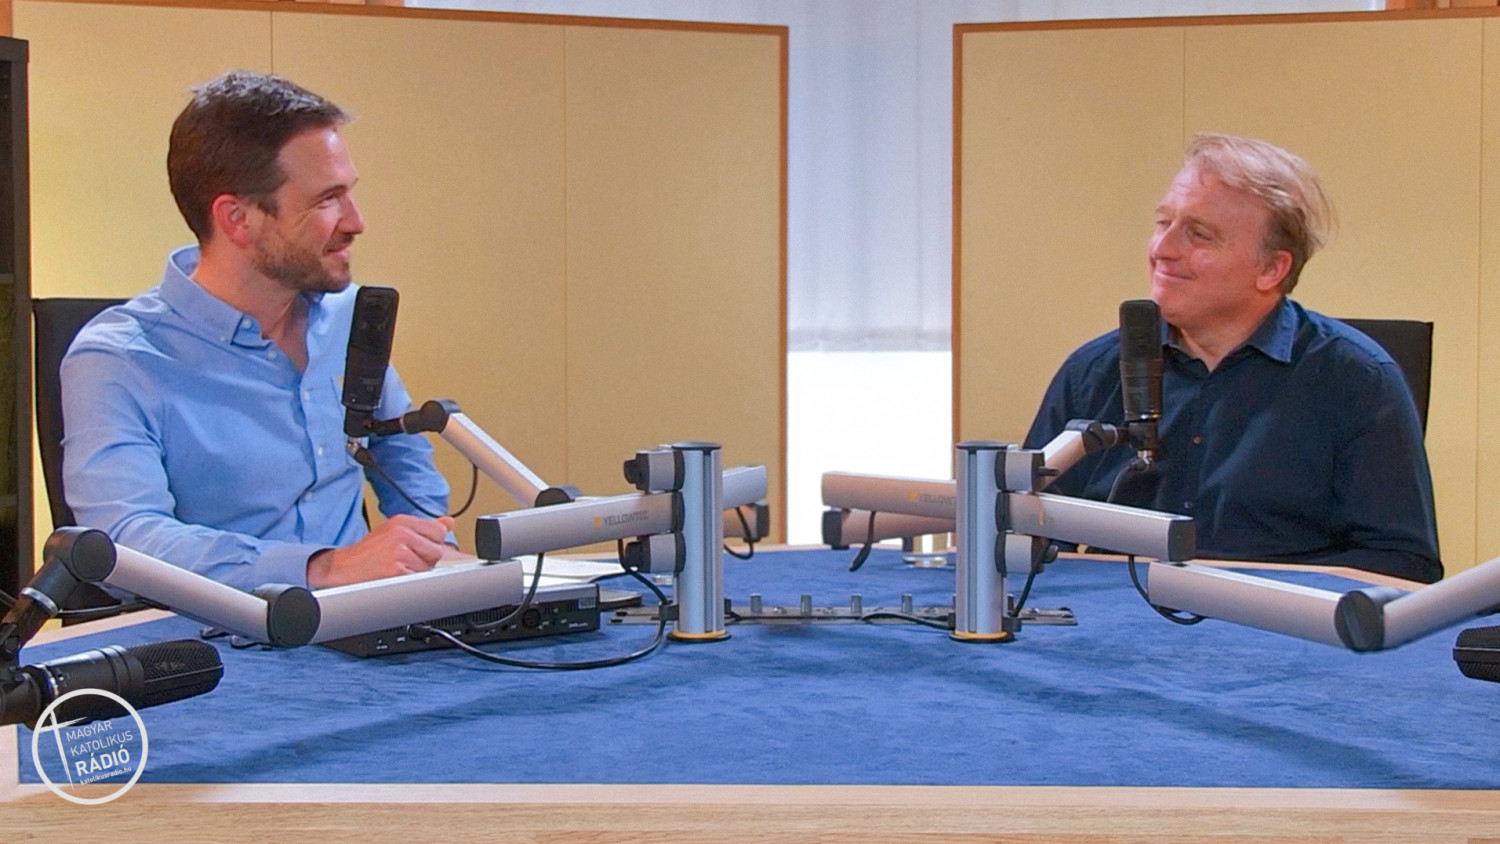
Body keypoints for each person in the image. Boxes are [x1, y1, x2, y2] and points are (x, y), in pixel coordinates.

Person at [60, 71, 460, 592]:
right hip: (220, 633)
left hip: (371, 620)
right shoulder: (117, 360)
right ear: (237, 219)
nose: (356, 221)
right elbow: (124, 544)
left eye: (349, 194)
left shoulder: (347, 318)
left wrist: (439, 555)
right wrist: (321, 569)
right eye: (327, 200)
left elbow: (398, 452)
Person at [1023, 132, 1441, 583]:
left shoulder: (1358, 379)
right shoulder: (1094, 371)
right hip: (1113, 615)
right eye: (1163, 223)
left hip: (1279, 620)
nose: (1162, 249)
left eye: (1198, 234)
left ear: (1271, 269)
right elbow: (1025, 531)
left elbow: (1402, 563)